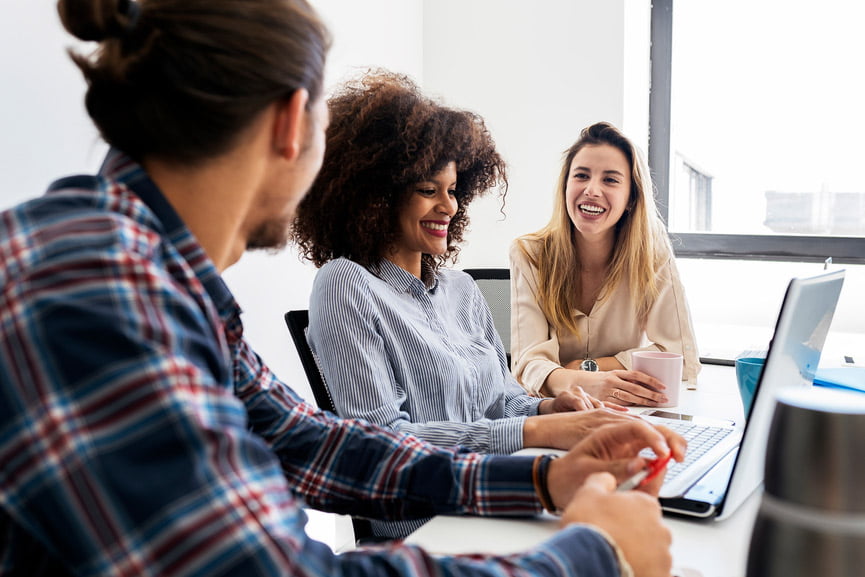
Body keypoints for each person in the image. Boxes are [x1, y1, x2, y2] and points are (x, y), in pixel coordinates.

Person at [0, 2, 684, 576]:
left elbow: (307, 441)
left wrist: (539, 478)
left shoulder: (156, 274)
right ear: (294, 122)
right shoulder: (94, 285)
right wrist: (592, 552)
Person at [291, 71, 650, 538]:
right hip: (427, 526)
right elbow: (382, 446)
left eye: (454, 190)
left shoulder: (461, 290)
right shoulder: (346, 285)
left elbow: (500, 398)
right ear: (376, 195)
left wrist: (546, 410)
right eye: (428, 190)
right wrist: (535, 434)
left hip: (493, 496)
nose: (449, 206)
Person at [510, 121, 702, 406]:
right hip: (557, 409)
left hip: (625, 408)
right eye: (581, 176)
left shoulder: (652, 251)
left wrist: (585, 368)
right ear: (565, 186)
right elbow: (528, 365)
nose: (591, 190)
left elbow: (681, 357)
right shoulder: (530, 253)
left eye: (610, 180)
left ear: (630, 198)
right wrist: (591, 383)